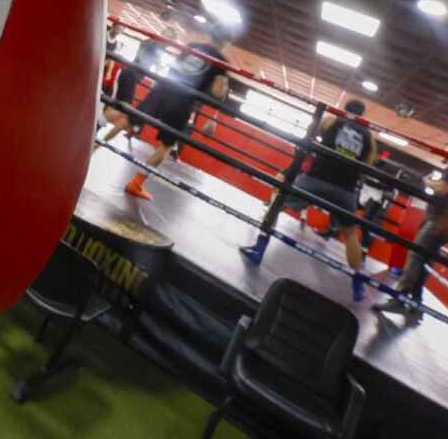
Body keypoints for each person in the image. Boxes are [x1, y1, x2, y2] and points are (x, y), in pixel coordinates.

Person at [240, 99, 378, 302]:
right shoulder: (369, 138)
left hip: (315, 179)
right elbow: (365, 171)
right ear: (362, 115)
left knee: (277, 204)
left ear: (344, 110)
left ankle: (259, 249)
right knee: (350, 235)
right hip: (345, 190)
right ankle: (357, 285)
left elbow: (312, 134)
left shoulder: (332, 120)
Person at [99, 28, 231, 200]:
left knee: (130, 119)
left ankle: (94, 145)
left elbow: (176, 67)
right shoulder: (221, 62)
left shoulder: (193, 46)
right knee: (167, 145)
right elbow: (218, 91)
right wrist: (224, 86)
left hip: (162, 89)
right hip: (182, 100)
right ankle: (136, 183)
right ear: (227, 43)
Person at [375, 140, 448, 319]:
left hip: (438, 223)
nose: (443, 151)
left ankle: (400, 299)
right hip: (442, 223)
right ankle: (416, 302)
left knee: (415, 256)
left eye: (447, 149)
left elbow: (442, 189)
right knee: (424, 261)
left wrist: (427, 181)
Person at [103, 27, 177, 126]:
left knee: (119, 106)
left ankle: (96, 126)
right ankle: (98, 124)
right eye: (170, 39)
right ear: (167, 36)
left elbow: (151, 61)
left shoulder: (150, 41)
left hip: (128, 73)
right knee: (125, 108)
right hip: (131, 75)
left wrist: (161, 64)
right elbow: (149, 60)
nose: (169, 42)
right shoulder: (157, 44)